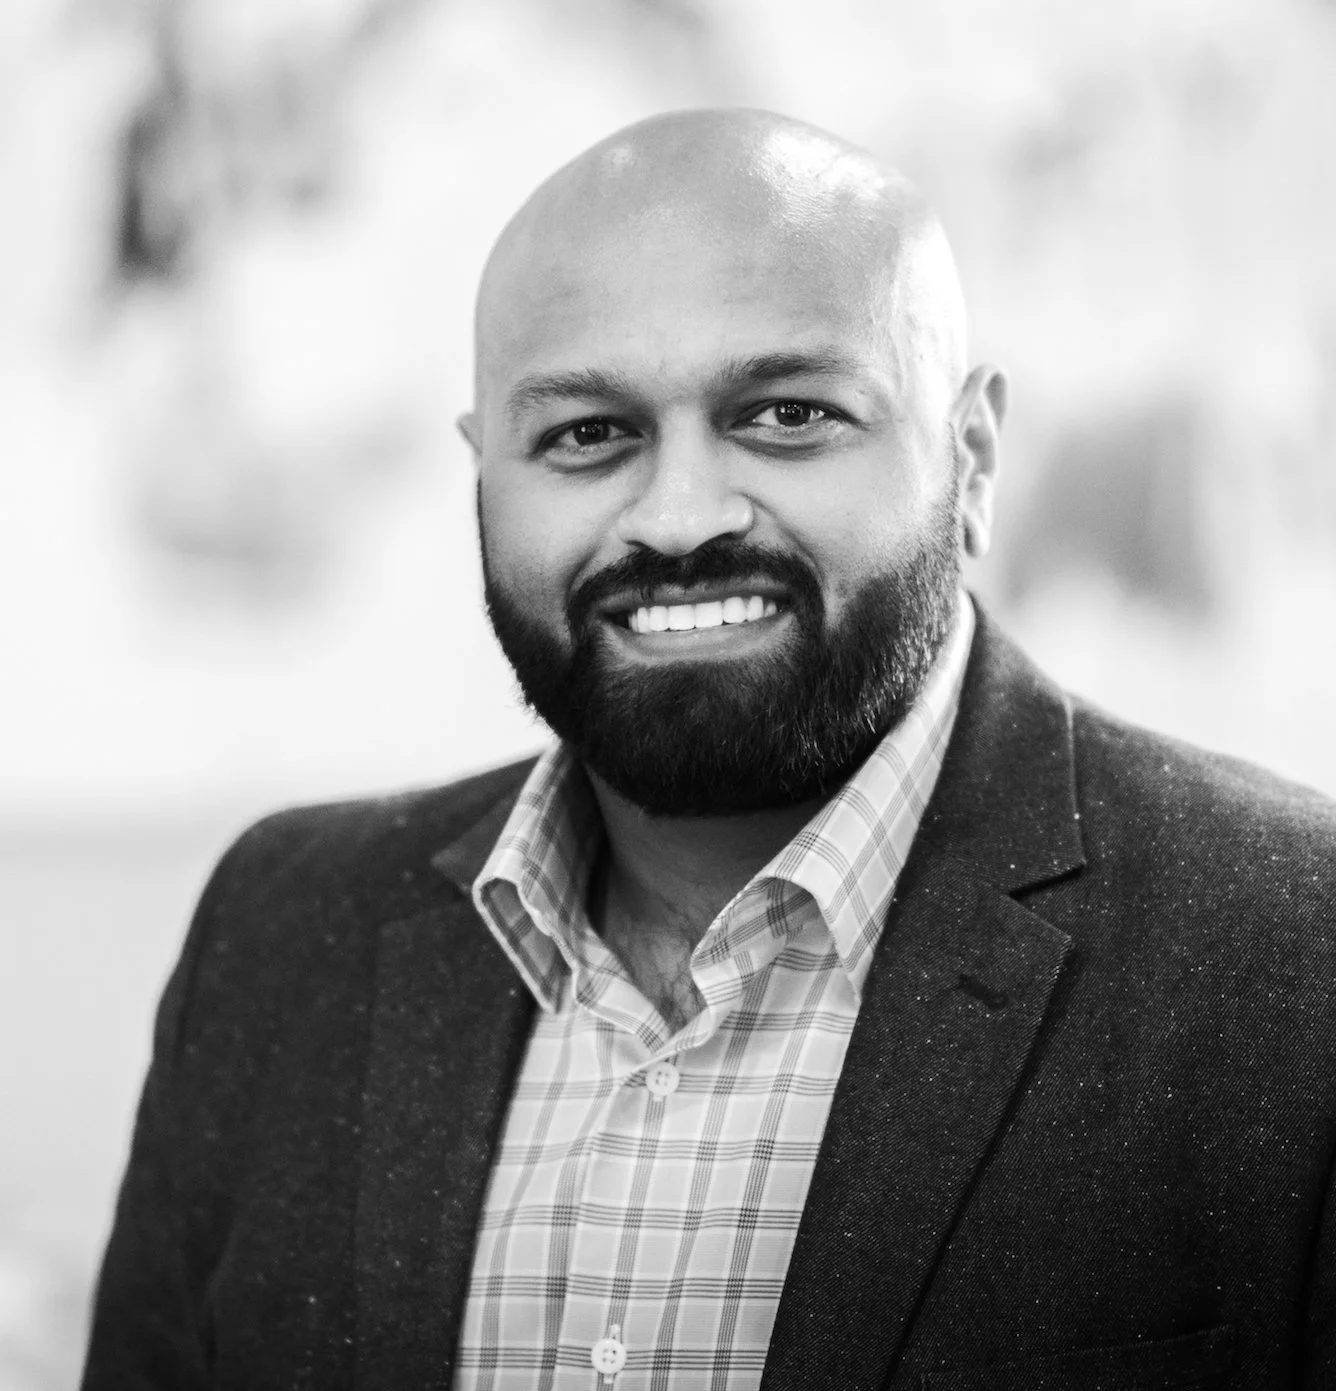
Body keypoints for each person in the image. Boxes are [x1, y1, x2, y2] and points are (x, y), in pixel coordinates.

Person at [82, 109, 1336, 1390]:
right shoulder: (281, 932)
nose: (680, 518)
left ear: (969, 457)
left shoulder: (1298, 950)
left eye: (787, 413)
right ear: (484, 473)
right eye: (587, 433)